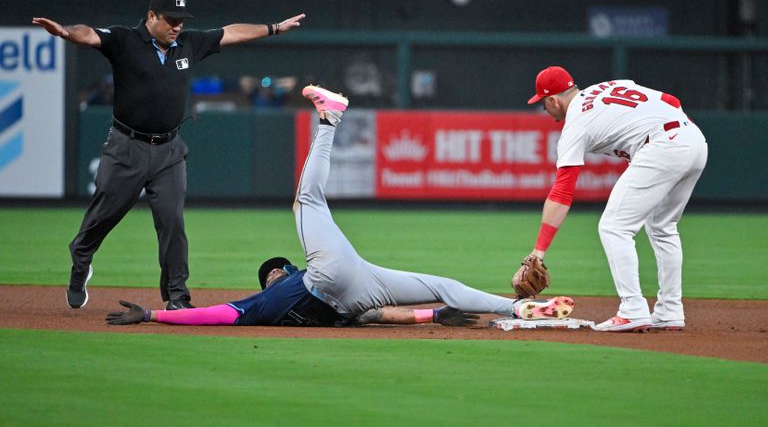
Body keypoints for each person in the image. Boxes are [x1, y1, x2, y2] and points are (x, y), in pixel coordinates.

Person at [106, 85, 576, 327]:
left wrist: (432, 315)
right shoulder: (278, 294)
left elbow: (374, 316)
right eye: (272, 271)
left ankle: (516, 309)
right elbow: (222, 314)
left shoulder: (276, 302)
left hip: (353, 287)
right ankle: (330, 117)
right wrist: (152, 315)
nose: (272, 274)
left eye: (274, 270)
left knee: (440, 284)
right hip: (341, 282)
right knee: (306, 198)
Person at [33, 0, 305, 310]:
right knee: (102, 218)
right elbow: (90, 35)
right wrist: (65, 33)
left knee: (172, 221)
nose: (177, 26)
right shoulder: (125, 41)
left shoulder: (188, 44)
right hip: (126, 147)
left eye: (181, 20)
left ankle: (177, 297)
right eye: (171, 20)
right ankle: (81, 261)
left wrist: (273, 28)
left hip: (169, 150)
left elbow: (231, 32)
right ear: (151, 16)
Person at [512, 66, 707, 332]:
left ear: (554, 100)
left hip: (663, 146)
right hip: (694, 140)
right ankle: (670, 311)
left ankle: (633, 310)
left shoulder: (576, 123)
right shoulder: (611, 86)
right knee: (663, 228)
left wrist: (538, 253)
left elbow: (562, 191)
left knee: (614, 227)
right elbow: (672, 101)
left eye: (544, 104)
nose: (545, 110)